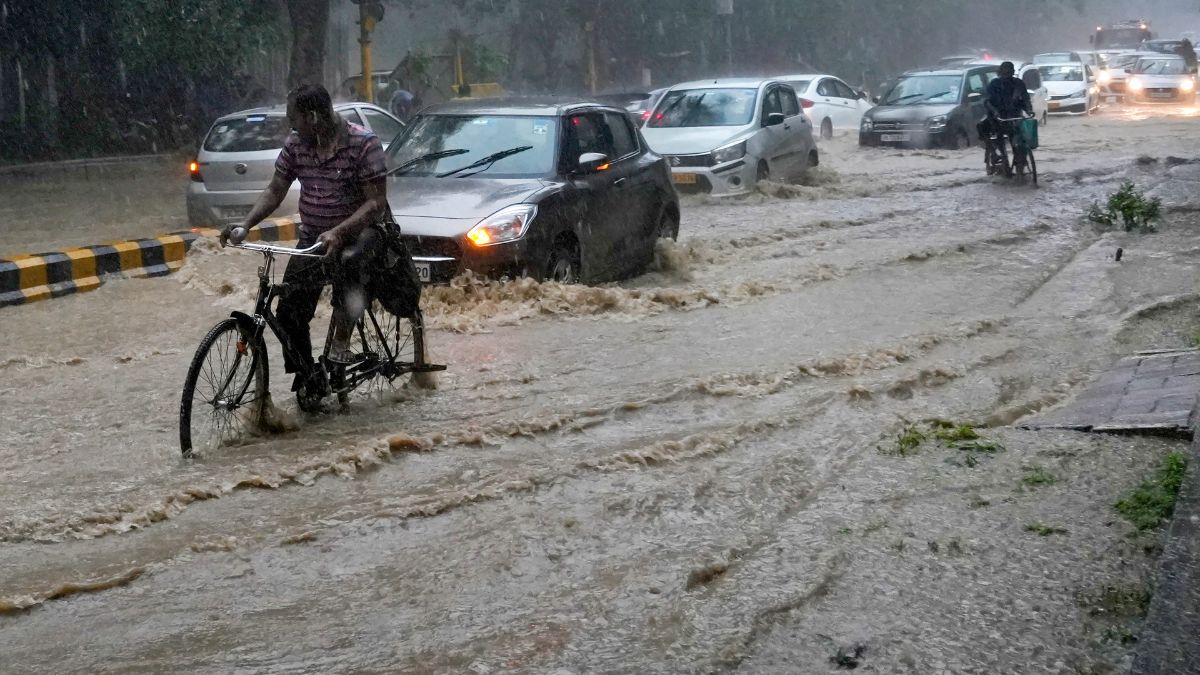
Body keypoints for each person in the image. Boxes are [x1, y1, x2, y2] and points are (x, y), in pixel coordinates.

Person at [220, 83, 388, 394]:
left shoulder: (364, 144)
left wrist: (339, 232)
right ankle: (309, 375)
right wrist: (245, 224)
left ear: (311, 116)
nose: (290, 125)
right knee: (288, 312)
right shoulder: (297, 144)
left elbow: (375, 204)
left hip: (357, 237)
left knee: (350, 268)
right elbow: (275, 189)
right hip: (313, 241)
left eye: (292, 118)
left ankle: (341, 342)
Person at [976, 61, 1033, 175]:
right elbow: (987, 101)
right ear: (1000, 73)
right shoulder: (994, 84)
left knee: (1019, 139)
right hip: (997, 117)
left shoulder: (1019, 84)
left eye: (1009, 73)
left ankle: (1020, 161)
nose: (1007, 76)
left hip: (1014, 116)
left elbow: (1026, 99)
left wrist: (1029, 110)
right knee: (983, 128)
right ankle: (995, 153)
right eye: (1005, 73)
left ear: (1013, 73)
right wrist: (995, 112)